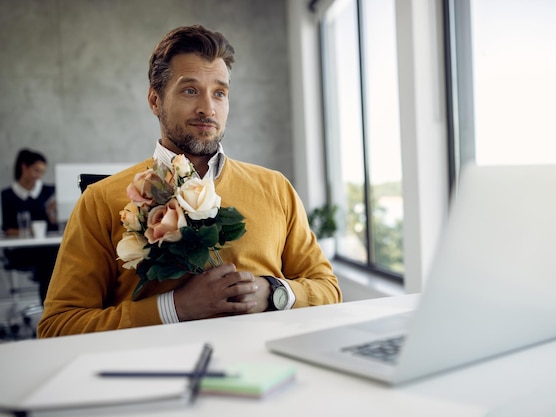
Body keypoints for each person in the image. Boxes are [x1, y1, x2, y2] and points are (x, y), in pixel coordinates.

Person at [37, 25, 342, 337]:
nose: (208, 108)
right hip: (151, 377)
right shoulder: (100, 201)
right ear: (155, 101)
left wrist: (273, 292)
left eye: (219, 93)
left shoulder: (277, 188)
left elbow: (328, 289)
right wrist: (175, 308)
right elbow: (57, 327)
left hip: (266, 370)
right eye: (190, 90)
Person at [1, 149, 59, 304]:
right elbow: (8, 230)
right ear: (24, 167)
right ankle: (49, 309)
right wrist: (29, 231)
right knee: (49, 264)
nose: (39, 175)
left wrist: (54, 214)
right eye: (36, 170)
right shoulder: (7, 196)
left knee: (56, 259)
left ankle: (53, 307)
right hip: (23, 251)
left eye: (42, 172)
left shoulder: (49, 191)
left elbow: (55, 224)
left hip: (48, 248)